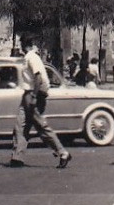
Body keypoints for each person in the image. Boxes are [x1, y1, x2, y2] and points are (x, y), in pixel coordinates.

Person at [7, 40, 72, 168]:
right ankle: (17, 157)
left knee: (41, 126)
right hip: (27, 94)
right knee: (20, 126)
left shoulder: (32, 57)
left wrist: (34, 96)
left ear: (25, 45)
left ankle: (63, 153)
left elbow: (38, 77)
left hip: (33, 94)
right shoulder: (29, 57)